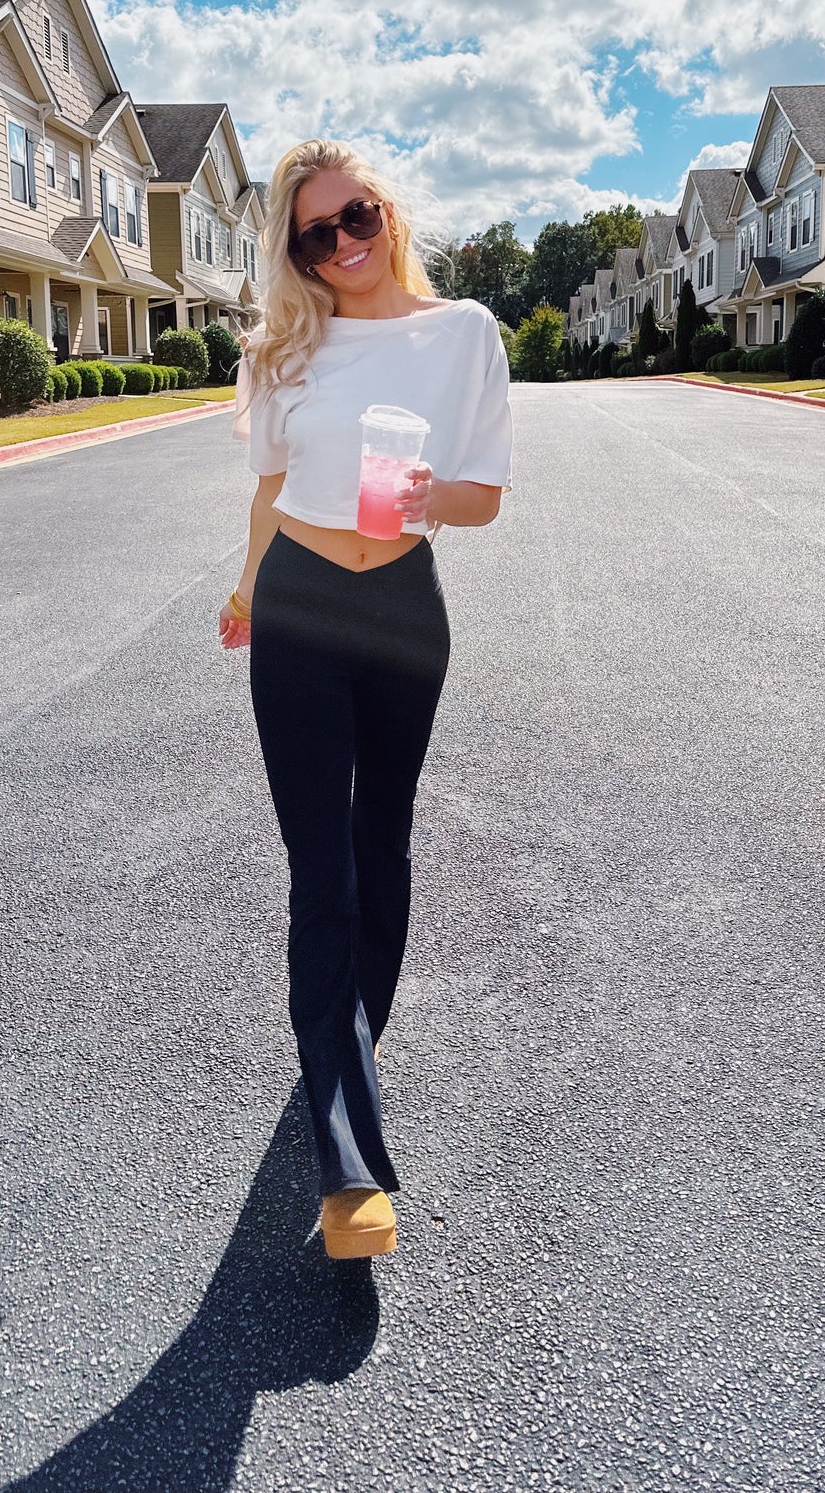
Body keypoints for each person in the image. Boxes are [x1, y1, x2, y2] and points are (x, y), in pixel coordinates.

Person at [220, 138, 513, 1260]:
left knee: (379, 843)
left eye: (354, 218)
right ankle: (348, 1166)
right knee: (319, 866)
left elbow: (481, 499)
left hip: (399, 605)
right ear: (294, 252)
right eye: (312, 235)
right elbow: (265, 488)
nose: (339, 244)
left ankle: (348, 1054)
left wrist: (428, 489)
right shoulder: (283, 345)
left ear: (386, 213)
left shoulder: (465, 334)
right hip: (296, 602)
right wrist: (246, 586)